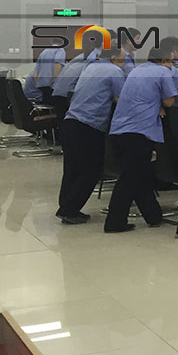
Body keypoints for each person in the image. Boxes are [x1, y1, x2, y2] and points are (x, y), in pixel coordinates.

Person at [104, 41, 178, 233]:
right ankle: (114, 222)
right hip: (139, 131)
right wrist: (161, 103)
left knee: (141, 175)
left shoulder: (136, 71)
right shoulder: (162, 72)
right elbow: (169, 101)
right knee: (129, 179)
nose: (172, 64)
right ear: (164, 59)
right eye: (171, 61)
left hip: (119, 129)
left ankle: (154, 216)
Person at [56, 47, 127, 224]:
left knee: (72, 169)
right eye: (122, 59)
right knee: (92, 170)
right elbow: (121, 99)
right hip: (89, 126)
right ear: (113, 58)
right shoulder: (114, 71)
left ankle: (66, 206)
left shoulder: (90, 67)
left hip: (71, 121)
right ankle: (69, 209)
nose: (124, 63)